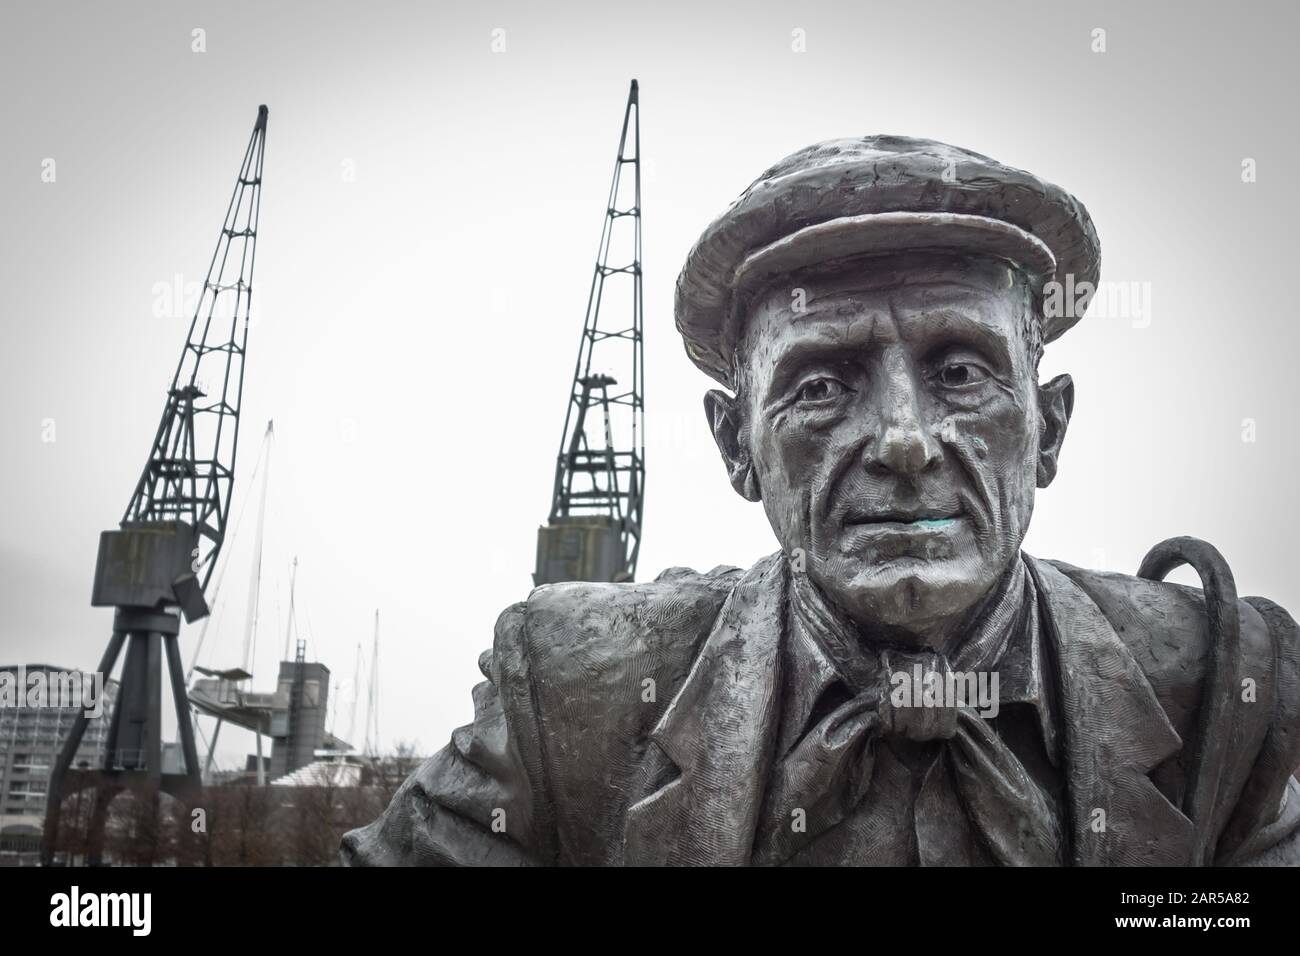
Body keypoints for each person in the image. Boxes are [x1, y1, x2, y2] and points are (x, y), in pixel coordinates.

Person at [342, 136, 1300, 866]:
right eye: (820, 385)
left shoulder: (1219, 687)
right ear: (735, 447)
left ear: (1048, 429)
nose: (904, 440)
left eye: (961, 371)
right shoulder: (570, 694)